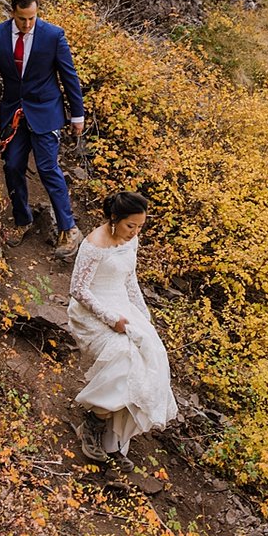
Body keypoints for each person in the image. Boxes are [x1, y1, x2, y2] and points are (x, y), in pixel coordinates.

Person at [68, 190, 177, 469]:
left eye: (140, 227)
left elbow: (130, 280)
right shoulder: (93, 244)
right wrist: (109, 318)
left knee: (150, 355)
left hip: (122, 305)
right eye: (131, 226)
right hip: (93, 310)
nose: (135, 232)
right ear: (115, 218)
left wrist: (144, 316)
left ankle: (112, 441)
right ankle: (93, 422)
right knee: (124, 359)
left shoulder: (132, 239)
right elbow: (78, 290)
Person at [0, 0, 85, 258]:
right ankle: (22, 219)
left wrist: (77, 115)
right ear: (13, 11)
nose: (27, 24)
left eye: (32, 18)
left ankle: (68, 228)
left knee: (48, 167)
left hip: (46, 110)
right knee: (12, 165)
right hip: (12, 111)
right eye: (23, 18)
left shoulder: (53, 35)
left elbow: (69, 76)